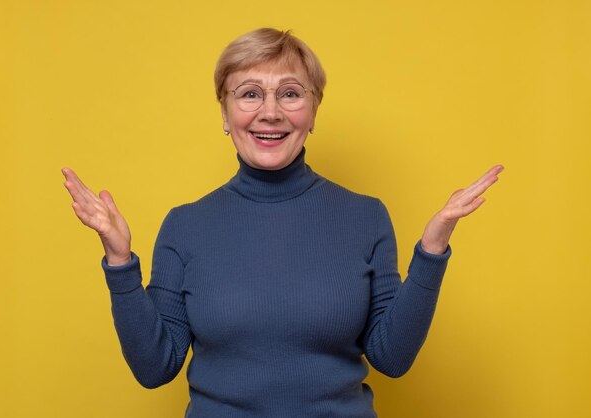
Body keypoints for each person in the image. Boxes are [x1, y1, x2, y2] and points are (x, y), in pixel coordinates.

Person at [62, 28, 503, 418]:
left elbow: (392, 358)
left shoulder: (366, 217)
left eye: (290, 93)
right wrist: (119, 261)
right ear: (224, 113)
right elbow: (155, 367)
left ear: (313, 112)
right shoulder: (185, 226)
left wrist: (431, 253)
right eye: (249, 93)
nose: (269, 112)